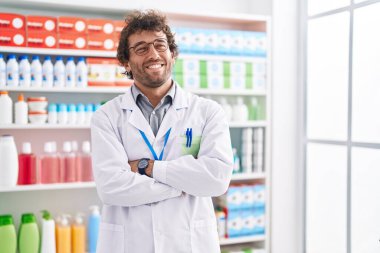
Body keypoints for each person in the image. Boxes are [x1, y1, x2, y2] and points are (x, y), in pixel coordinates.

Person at [91, 9, 233, 253]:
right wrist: (186, 184)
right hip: (131, 244)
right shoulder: (107, 117)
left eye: (160, 45)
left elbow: (217, 178)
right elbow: (111, 187)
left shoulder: (208, 111)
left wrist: (148, 168)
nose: (153, 54)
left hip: (188, 243)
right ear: (126, 61)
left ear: (173, 54)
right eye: (141, 48)